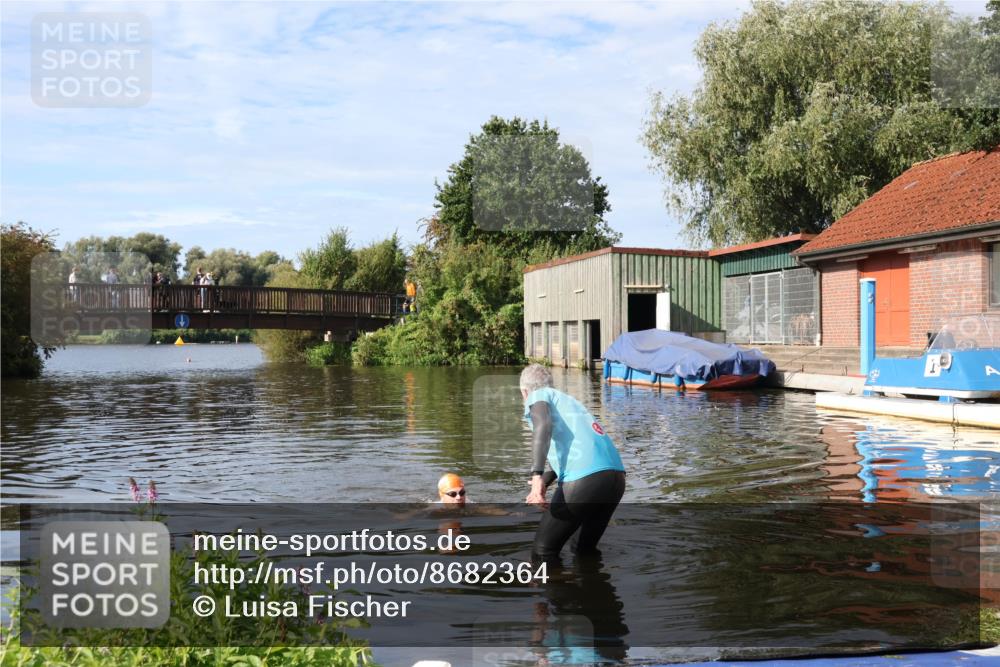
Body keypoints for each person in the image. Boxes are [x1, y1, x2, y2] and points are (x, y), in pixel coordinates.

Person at [521, 364, 625, 561]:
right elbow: (566, 453)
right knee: (582, 549)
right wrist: (545, 480)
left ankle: (554, 588)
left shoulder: (537, 395)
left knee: (543, 552)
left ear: (525, 392)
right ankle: (592, 588)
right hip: (615, 477)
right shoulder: (569, 402)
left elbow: (543, 426)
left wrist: (536, 476)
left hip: (586, 478)